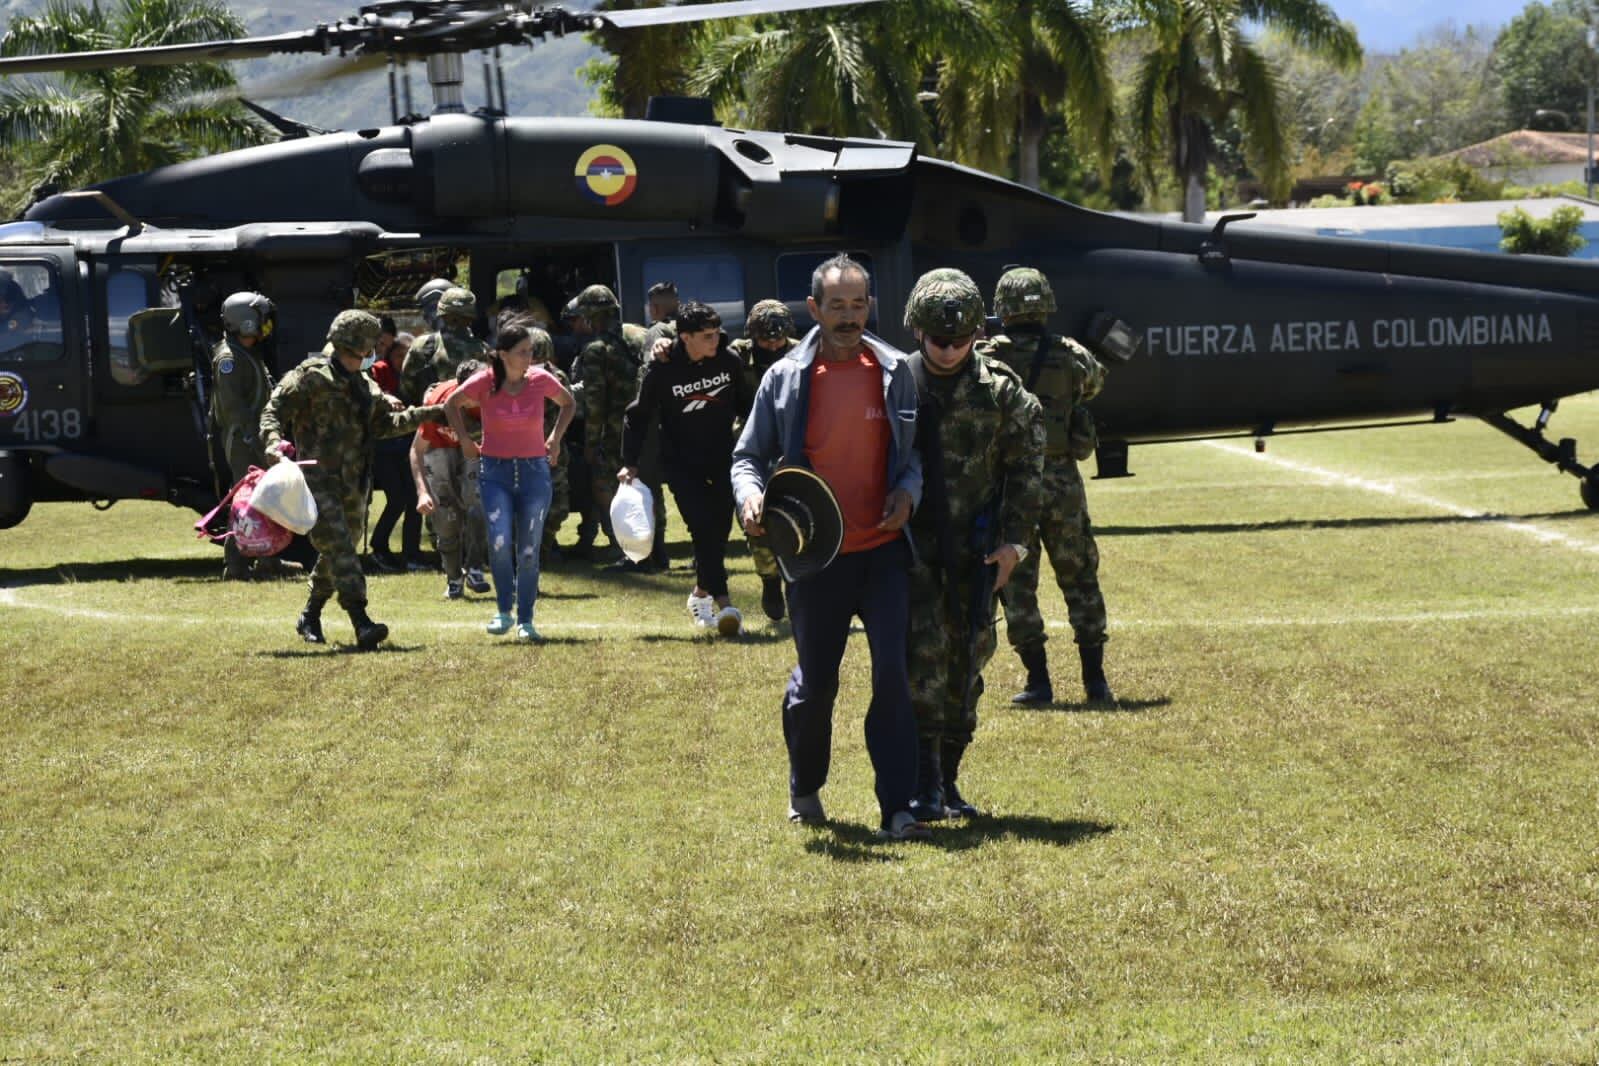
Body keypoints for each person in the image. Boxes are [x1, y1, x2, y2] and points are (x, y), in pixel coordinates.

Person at [731, 253, 929, 842]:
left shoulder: (895, 371)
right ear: (813, 308)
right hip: (815, 558)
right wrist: (750, 497)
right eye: (837, 305)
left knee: (893, 676)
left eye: (859, 303)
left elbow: (913, 455)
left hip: (883, 552)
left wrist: (908, 492)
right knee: (818, 682)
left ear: (872, 306)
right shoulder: (786, 377)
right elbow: (747, 456)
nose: (849, 316)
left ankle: (898, 806)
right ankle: (805, 786)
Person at [901, 269, 1044, 821]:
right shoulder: (897, 383)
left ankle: (949, 781)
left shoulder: (1002, 392)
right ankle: (921, 783)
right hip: (911, 552)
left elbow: (1026, 469)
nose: (950, 350)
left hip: (977, 554)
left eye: (961, 341)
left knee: (966, 670)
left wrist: (1014, 545)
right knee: (919, 670)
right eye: (939, 341)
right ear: (918, 331)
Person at [260, 310, 445, 650]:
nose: (374, 348)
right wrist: (273, 443)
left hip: (354, 483)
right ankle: (361, 621)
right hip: (316, 480)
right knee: (342, 549)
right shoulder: (310, 377)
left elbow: (385, 426)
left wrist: (430, 413)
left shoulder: (363, 383)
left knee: (334, 553)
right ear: (357, 343)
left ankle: (310, 613)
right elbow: (274, 410)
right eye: (370, 343)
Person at [986, 267, 1115, 704]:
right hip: (1060, 477)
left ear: (1002, 308)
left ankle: (1038, 681)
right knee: (1079, 573)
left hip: (1011, 482)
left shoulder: (989, 356)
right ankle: (1095, 681)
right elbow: (1094, 383)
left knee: (1018, 581)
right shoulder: (1071, 353)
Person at [621, 301, 754, 635]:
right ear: (685, 337)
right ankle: (726, 606)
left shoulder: (728, 361)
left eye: (717, 333)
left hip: (723, 458)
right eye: (707, 336)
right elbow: (637, 416)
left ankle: (699, 594)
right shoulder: (663, 369)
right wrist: (630, 463)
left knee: (720, 530)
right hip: (681, 463)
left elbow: (747, 405)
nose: (715, 340)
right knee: (702, 529)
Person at [445, 321, 576, 641]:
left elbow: (568, 402)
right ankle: (503, 611)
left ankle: (526, 620)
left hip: (534, 472)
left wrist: (555, 439)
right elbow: (451, 403)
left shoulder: (540, 380)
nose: (529, 357)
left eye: (531, 350)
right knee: (500, 544)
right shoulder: (484, 382)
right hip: (495, 472)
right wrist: (463, 439)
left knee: (529, 549)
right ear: (503, 355)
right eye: (522, 352)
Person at [400, 286, 492, 593]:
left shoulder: (424, 346)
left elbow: (408, 386)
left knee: (444, 508)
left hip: (434, 431)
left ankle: (452, 570)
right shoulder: (482, 349)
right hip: (454, 435)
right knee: (474, 501)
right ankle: (471, 567)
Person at [731, 299, 799, 620]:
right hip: (753, 447)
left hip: (793, 448)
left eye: (778, 339)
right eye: (765, 340)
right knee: (757, 524)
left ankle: (795, 582)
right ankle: (770, 580)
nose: (772, 345)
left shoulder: (803, 354)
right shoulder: (737, 356)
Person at [210, 290, 280, 580]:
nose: (266, 323)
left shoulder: (246, 353)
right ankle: (236, 564)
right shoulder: (229, 359)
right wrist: (256, 439)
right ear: (247, 321)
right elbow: (234, 408)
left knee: (264, 499)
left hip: (254, 436)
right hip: (242, 439)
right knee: (245, 501)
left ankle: (267, 561)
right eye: (261, 317)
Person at [568, 284, 638, 560]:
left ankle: (623, 547)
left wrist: (591, 443)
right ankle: (653, 548)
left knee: (606, 487)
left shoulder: (597, 349)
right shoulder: (636, 336)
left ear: (588, 315)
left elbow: (595, 403)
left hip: (613, 432)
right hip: (641, 428)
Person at [412, 359, 486, 599]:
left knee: (479, 504)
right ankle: (454, 578)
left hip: (473, 448)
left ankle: (475, 566)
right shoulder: (438, 403)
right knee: (445, 517)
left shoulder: (494, 398)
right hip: (438, 449)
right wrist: (422, 492)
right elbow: (416, 450)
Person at [368, 329, 426, 573]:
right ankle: (379, 547)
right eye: (399, 355)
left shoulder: (417, 376)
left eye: (408, 356)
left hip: (409, 446)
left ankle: (412, 554)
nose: (403, 360)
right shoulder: (379, 370)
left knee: (415, 500)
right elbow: (371, 389)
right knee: (397, 498)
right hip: (384, 447)